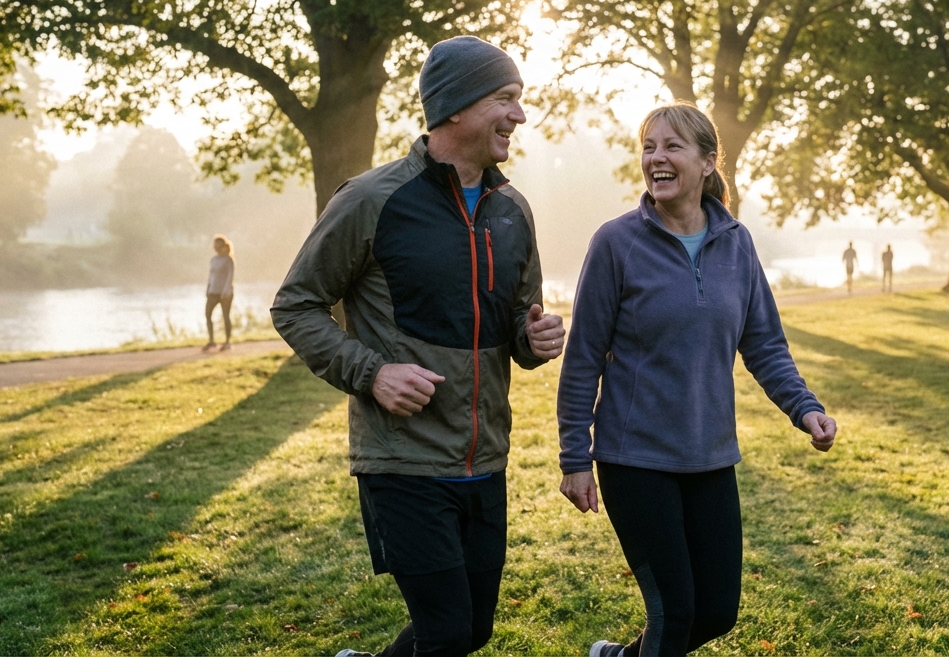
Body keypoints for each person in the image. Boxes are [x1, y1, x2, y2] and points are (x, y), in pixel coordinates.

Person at [271, 36, 565, 657]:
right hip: (401, 460)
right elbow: (295, 304)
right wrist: (372, 374)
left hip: (485, 457)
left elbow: (517, 324)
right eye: (505, 99)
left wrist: (535, 340)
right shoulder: (371, 199)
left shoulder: (513, 210)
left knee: (472, 630)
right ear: (456, 107)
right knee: (448, 630)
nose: (519, 116)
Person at [557, 102, 838, 657]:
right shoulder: (616, 243)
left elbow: (763, 344)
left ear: (708, 162)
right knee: (675, 610)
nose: (656, 158)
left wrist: (805, 409)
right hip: (634, 458)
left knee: (715, 611)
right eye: (648, 147)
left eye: (671, 147)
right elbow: (583, 356)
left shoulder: (736, 242)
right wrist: (574, 457)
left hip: (710, 456)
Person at [203, 235, 234, 351]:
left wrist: (226, 292)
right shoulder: (213, 260)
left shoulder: (228, 260)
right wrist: (208, 289)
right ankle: (211, 340)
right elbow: (211, 276)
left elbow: (230, 277)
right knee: (208, 314)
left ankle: (227, 342)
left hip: (225, 293)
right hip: (213, 292)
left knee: (226, 316)